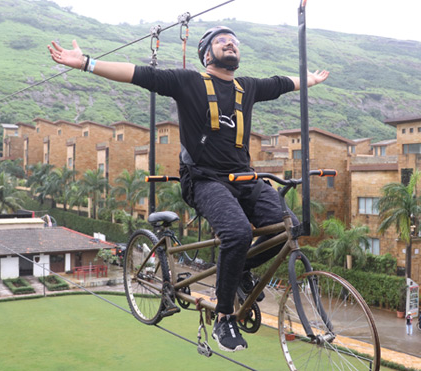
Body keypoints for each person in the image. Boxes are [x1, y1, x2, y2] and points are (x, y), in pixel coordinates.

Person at [48, 26, 329, 352]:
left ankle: (240, 270)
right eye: (223, 41)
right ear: (207, 54)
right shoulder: (189, 81)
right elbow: (138, 74)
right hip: (204, 180)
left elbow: (281, 84)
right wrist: (87, 63)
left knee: (291, 226)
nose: (231, 45)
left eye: (235, 42)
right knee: (237, 233)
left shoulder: (247, 87)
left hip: (244, 179)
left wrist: (308, 80)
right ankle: (224, 317)